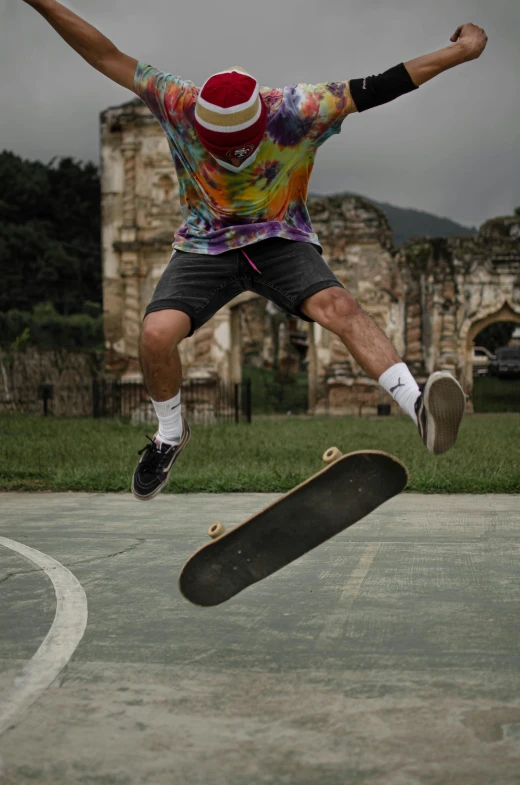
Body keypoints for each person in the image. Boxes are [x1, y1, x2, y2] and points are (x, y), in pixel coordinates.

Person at [23, 1, 488, 500]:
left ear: (260, 118)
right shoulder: (177, 101)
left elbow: (383, 84)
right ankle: (169, 436)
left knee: (341, 307)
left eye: (241, 147)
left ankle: (418, 407)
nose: (232, 158)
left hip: (280, 239)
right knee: (156, 335)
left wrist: (459, 53)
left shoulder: (299, 108)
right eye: (219, 148)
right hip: (206, 244)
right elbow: (105, 54)